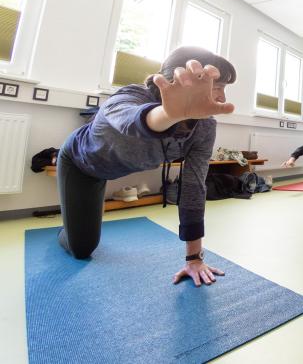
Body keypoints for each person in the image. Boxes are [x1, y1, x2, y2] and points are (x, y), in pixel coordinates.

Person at [56, 46, 237, 286]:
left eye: (224, 89)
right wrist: (169, 115)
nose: (222, 98)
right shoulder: (128, 97)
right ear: (176, 80)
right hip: (81, 165)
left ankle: (77, 216)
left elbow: (193, 187)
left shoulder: (204, 128)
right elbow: (132, 121)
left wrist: (194, 259)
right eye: (217, 87)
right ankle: (66, 227)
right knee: (81, 249)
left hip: (115, 168)